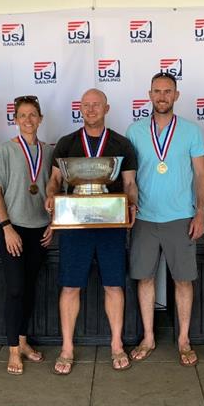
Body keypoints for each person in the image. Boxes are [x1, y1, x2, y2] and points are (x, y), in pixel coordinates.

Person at [45, 89, 138, 375]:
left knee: (113, 285)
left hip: (110, 224)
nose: (91, 109)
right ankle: (67, 347)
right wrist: (50, 197)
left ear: (106, 107)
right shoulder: (66, 143)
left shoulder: (122, 143)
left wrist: (131, 205)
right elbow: (54, 181)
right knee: (71, 286)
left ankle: (116, 345)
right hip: (75, 225)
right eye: (86, 105)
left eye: (96, 104)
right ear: (80, 109)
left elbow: (129, 183)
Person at [126, 72, 204, 367]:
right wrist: (130, 206)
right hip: (145, 218)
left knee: (183, 280)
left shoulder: (190, 131)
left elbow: (201, 174)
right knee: (145, 277)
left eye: (168, 91)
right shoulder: (134, 130)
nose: (162, 96)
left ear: (176, 95)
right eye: (157, 91)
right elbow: (130, 177)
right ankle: (148, 337)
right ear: (149, 95)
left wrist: (200, 212)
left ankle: (183, 340)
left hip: (181, 217)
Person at [0, 95, 53, 375]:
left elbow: (54, 191)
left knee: (28, 288)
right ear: (15, 120)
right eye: (22, 115)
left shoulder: (48, 152)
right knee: (15, 289)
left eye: (33, 115)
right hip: (11, 229)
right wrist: (6, 227)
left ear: (40, 119)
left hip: (39, 229)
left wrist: (54, 224)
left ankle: (24, 342)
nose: (28, 120)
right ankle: (13, 349)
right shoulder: (4, 150)